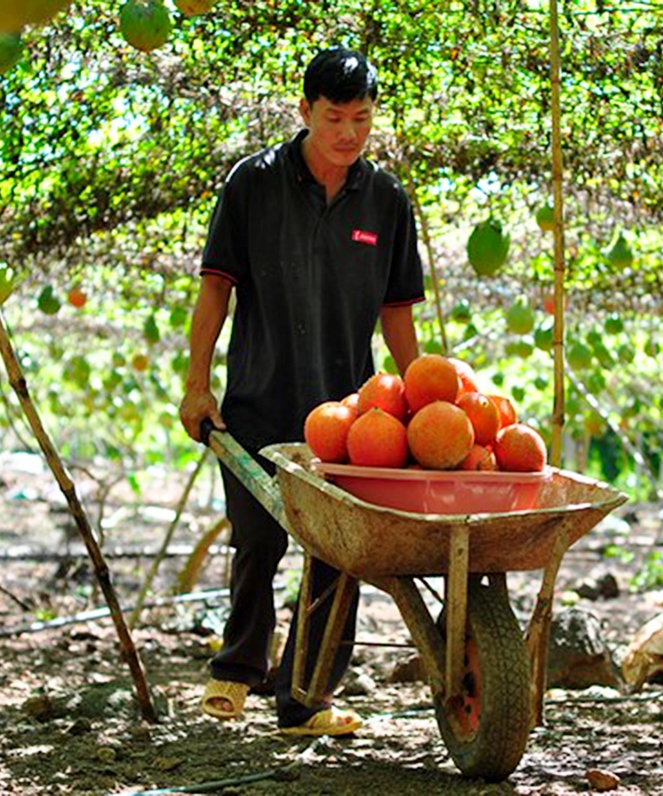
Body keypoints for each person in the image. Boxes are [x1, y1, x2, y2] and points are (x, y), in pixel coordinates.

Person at [178, 46, 423, 735]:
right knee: (257, 538)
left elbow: (398, 312)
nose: (349, 133)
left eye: (363, 119)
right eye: (335, 117)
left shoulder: (385, 200)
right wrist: (196, 384)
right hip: (260, 395)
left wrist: (424, 399)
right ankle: (236, 668)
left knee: (338, 556)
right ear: (305, 111)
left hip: (351, 413)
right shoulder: (252, 185)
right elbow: (216, 288)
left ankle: (304, 698)